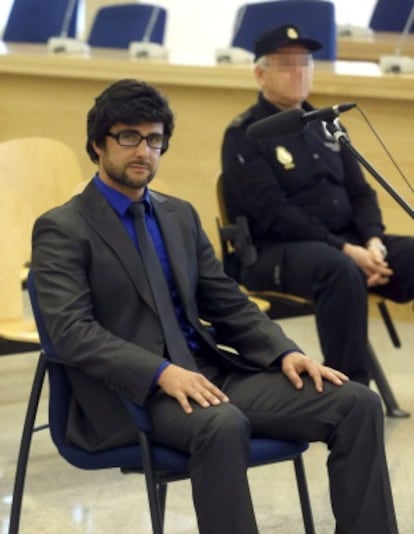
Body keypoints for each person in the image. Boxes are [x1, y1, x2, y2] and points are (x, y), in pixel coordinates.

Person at [31, 79, 398, 534]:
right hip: (134, 393)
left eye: (154, 139)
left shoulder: (178, 215)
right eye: (128, 137)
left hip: (210, 374)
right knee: (221, 425)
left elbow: (226, 300)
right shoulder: (62, 228)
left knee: (357, 403)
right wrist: (160, 373)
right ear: (97, 145)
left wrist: (286, 353)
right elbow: (70, 332)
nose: (143, 150)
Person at [221, 24, 414, 386]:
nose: (299, 71)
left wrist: (373, 242)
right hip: (274, 251)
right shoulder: (246, 133)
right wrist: (347, 250)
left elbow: (361, 193)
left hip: (349, 243)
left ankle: (357, 256)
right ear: (260, 73)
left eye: (306, 61)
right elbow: (273, 213)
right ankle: (352, 391)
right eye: (286, 63)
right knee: (339, 268)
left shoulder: (327, 124)